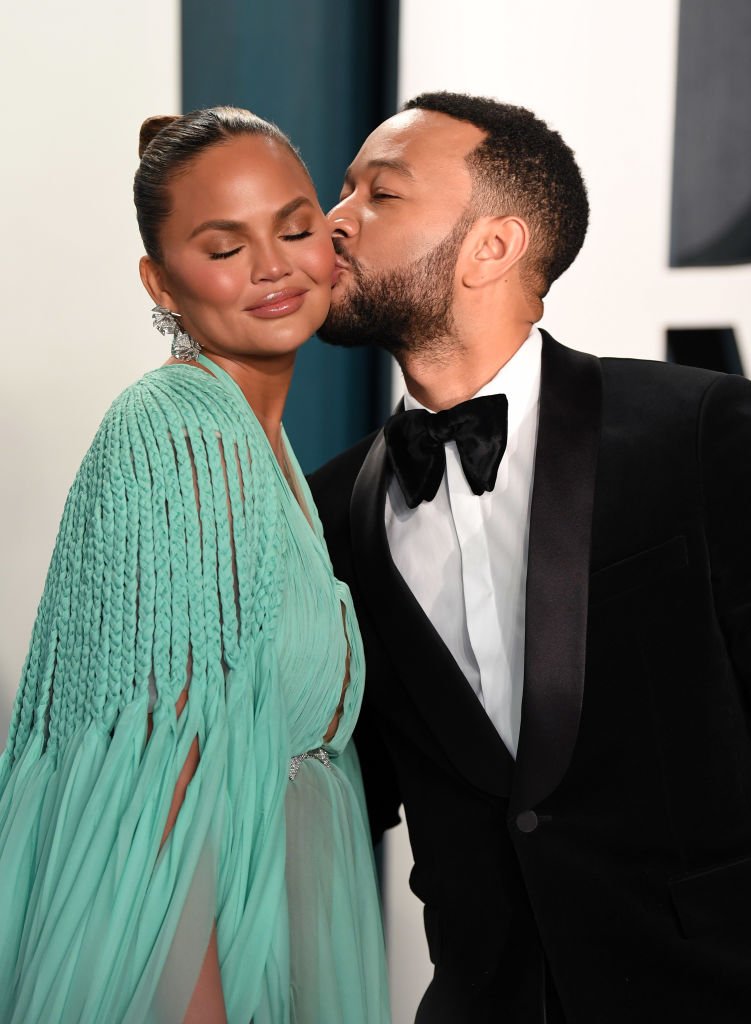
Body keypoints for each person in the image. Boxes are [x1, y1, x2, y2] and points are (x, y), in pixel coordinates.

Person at [309, 91, 751, 1023]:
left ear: (493, 246)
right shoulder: (324, 509)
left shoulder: (700, 430)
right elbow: (346, 796)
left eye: (379, 196)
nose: (332, 220)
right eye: (340, 191)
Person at [0, 106, 390, 1024]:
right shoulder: (175, 434)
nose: (273, 266)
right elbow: (159, 792)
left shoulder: (268, 449)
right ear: (160, 282)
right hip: (195, 976)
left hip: (293, 933)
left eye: (295, 229)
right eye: (224, 247)